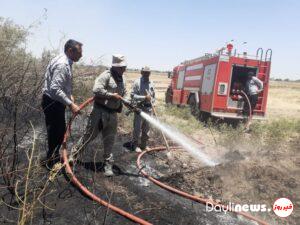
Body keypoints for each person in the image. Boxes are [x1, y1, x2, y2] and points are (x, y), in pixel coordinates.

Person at [70, 54, 127, 176]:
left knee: (110, 139)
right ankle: (74, 156)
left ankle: (107, 164)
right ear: (115, 66)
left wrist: (125, 101)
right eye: (121, 67)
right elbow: (96, 90)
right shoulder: (106, 76)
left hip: (113, 114)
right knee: (89, 136)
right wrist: (112, 95)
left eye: (124, 67)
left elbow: (124, 93)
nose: (124, 69)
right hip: (99, 112)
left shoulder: (123, 78)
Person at [42, 39, 82, 169]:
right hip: (53, 103)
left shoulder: (63, 60)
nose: (81, 55)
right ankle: (50, 162)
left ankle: (53, 157)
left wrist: (68, 94)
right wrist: (71, 104)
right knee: (56, 133)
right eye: (79, 52)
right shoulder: (63, 64)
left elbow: (59, 85)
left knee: (58, 131)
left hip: (53, 101)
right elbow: (55, 88)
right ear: (70, 51)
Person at [131, 66, 155, 152]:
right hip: (139, 109)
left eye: (148, 73)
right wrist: (144, 97)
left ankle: (144, 145)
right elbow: (133, 96)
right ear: (141, 73)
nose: (146, 74)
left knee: (146, 129)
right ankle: (135, 145)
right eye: (144, 72)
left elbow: (153, 96)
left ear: (150, 73)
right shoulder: (137, 82)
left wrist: (153, 103)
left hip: (149, 109)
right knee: (137, 128)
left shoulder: (152, 83)